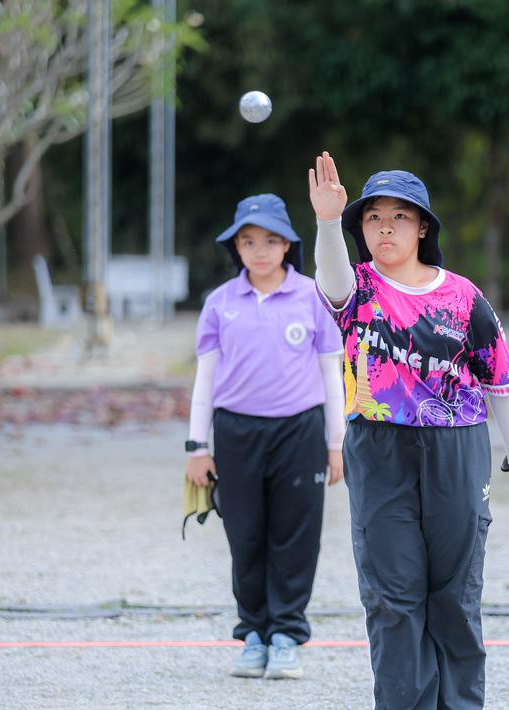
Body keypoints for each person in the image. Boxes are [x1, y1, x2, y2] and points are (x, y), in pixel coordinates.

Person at [308, 152, 509, 708]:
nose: (385, 228)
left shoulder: (464, 297)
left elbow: (500, 379)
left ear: (423, 228)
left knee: (455, 595)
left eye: (400, 217)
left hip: (456, 448)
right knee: (394, 596)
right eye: (372, 218)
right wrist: (325, 221)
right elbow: (331, 276)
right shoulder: (357, 291)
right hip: (379, 447)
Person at [185, 193, 345, 680]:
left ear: (288, 245)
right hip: (236, 432)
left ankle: (285, 636)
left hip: (300, 431)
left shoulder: (313, 297)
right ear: (236, 247)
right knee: (245, 534)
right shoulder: (220, 304)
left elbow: (332, 377)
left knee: (296, 536)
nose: (259, 250)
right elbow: (205, 381)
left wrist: (335, 444)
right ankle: (253, 634)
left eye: (270, 240)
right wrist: (197, 446)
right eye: (248, 241)